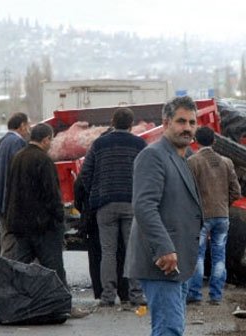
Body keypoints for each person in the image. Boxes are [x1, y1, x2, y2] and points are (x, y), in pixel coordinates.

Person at [125, 96, 203, 336]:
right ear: (166, 122)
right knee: (169, 330)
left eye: (192, 122)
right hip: (162, 263)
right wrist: (164, 248)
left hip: (177, 263)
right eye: (181, 121)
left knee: (171, 328)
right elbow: (144, 206)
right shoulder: (153, 156)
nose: (187, 128)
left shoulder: (181, 157)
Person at [80, 107, 147, 306]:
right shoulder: (140, 144)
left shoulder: (99, 144)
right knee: (132, 251)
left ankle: (107, 296)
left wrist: (96, 191)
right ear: (131, 124)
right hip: (131, 203)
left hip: (105, 204)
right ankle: (136, 295)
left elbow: (85, 173)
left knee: (108, 252)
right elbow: (147, 172)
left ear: (112, 122)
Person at [4, 123, 67, 286]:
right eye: (50, 140)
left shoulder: (17, 157)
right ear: (46, 139)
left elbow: (10, 189)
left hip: (20, 224)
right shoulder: (44, 160)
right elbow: (51, 193)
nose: (51, 144)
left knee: (20, 267)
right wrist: (59, 217)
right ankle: (61, 305)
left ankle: (16, 302)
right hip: (42, 225)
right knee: (54, 268)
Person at [185, 126, 241, 305]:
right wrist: (224, 204)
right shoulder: (227, 162)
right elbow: (236, 192)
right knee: (219, 255)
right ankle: (216, 296)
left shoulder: (192, 162)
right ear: (214, 141)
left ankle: (195, 294)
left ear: (195, 141)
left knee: (198, 255)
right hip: (222, 216)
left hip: (201, 216)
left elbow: (187, 191)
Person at [0, 112, 30, 258]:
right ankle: (9, 276)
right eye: (28, 125)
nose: (28, 129)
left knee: (6, 239)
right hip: (14, 203)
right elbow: (22, 174)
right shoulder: (18, 143)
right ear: (22, 126)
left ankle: (5, 273)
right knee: (15, 243)